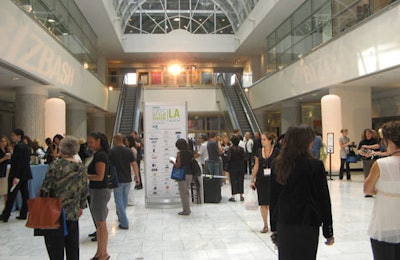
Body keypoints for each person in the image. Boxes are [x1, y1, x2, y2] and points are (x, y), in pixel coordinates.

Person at [270, 125, 334, 259]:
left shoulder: (278, 164)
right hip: (308, 223)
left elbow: (274, 198)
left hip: (285, 222)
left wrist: (274, 227)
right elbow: (323, 199)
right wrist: (328, 230)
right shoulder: (315, 165)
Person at [39, 135, 88, 260]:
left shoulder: (56, 165)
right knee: (72, 245)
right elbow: (84, 189)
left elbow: (46, 187)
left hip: (55, 211)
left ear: (62, 148)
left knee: (55, 246)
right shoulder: (81, 167)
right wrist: (81, 206)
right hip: (72, 210)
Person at [364, 120, 400, 260]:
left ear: (389, 141)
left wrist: (379, 191)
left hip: (384, 225)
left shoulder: (381, 164)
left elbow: (367, 189)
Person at [87, 131, 111, 260]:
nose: (89, 145)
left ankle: (104, 254)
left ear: (98, 141)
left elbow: (99, 176)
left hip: (100, 192)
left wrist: (83, 175)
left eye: (91, 142)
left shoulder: (101, 156)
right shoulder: (97, 155)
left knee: (101, 224)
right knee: (99, 224)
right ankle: (99, 252)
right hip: (97, 191)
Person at [0, 129, 32, 222]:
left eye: (14, 135)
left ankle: (5, 215)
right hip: (25, 174)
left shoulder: (18, 147)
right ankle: (23, 213)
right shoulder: (26, 146)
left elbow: (17, 163)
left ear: (19, 136)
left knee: (11, 194)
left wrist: (15, 176)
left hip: (17, 174)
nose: (12, 137)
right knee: (25, 194)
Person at [250, 132, 279, 233]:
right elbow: (256, 166)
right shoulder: (258, 152)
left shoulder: (276, 152)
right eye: (261, 139)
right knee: (263, 203)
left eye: (264, 139)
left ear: (270, 140)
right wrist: (252, 179)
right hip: (261, 180)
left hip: (273, 180)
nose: (262, 141)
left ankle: (274, 224)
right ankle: (265, 224)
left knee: (272, 203)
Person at [110, 133, 140, 230]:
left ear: (115, 140)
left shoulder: (112, 151)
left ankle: (124, 222)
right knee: (124, 199)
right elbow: (134, 164)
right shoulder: (128, 151)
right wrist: (137, 176)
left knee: (118, 200)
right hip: (127, 178)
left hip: (117, 179)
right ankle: (120, 216)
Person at [170, 138, 193, 215]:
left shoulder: (179, 154)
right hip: (190, 173)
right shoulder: (190, 153)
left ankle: (186, 210)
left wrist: (173, 162)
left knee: (183, 193)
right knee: (186, 191)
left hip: (182, 174)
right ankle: (188, 208)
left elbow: (178, 165)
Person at [358, 128, 380, 196]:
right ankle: (368, 191)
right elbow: (359, 150)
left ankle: (375, 189)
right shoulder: (362, 142)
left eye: (369, 133)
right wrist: (363, 154)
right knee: (367, 175)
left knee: (375, 175)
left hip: (374, 160)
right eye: (367, 133)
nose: (368, 135)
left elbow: (377, 146)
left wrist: (367, 147)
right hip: (366, 160)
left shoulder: (375, 140)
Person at [226, 135, 245, 202]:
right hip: (241, 167)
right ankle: (241, 196)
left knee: (233, 181)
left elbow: (228, 158)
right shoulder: (242, 149)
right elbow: (244, 158)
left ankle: (233, 196)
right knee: (240, 181)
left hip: (232, 167)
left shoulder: (230, 149)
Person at [0, 136, 11, 205]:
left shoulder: (7, 150)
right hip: (1, 171)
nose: (3, 143)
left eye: (5, 141)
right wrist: (4, 158)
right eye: (2, 141)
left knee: (6, 190)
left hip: (7, 171)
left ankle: (6, 207)